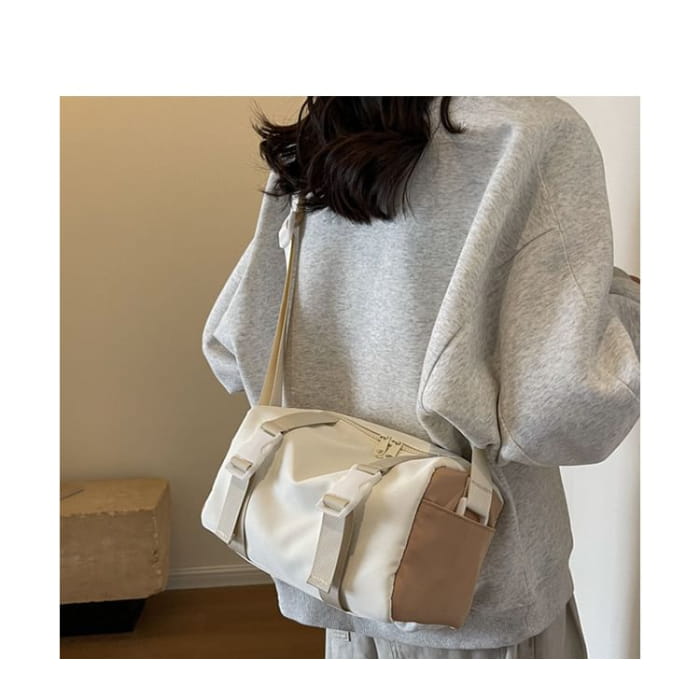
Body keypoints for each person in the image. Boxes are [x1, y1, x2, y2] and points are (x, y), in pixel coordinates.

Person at [201, 97, 640, 658]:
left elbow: (233, 347)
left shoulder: (324, 135)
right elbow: (557, 409)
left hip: (336, 568)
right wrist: (628, 304)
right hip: (472, 591)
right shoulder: (529, 131)